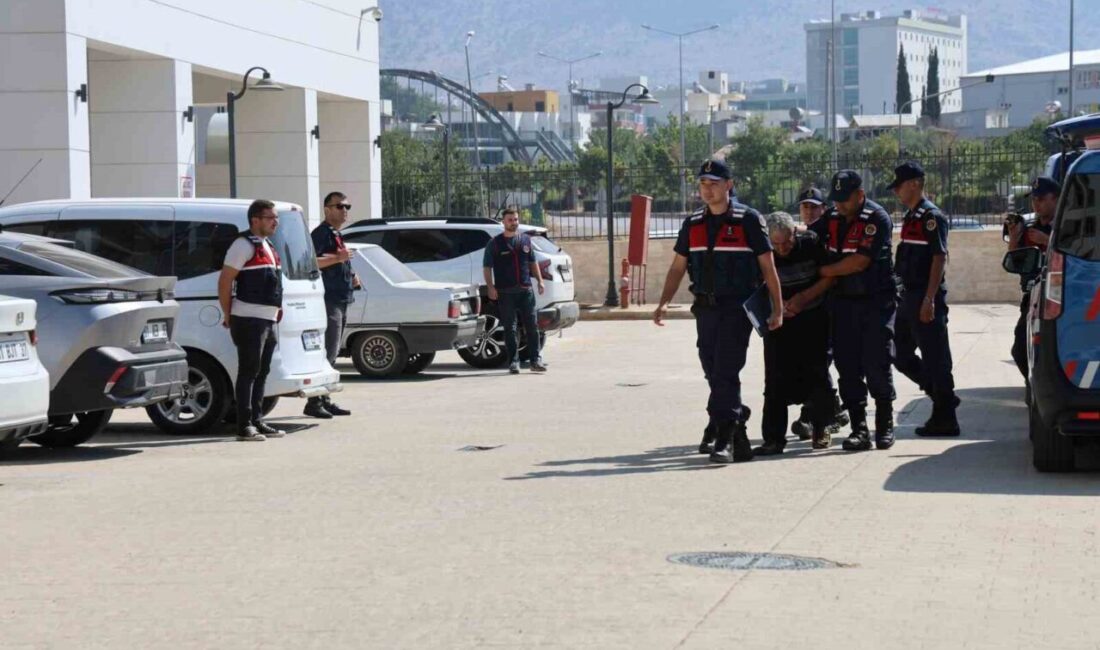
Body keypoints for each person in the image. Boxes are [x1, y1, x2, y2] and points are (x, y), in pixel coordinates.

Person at [653, 158, 783, 464]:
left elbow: (768, 267)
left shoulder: (748, 219)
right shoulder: (693, 223)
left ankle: (724, 439)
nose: (707, 190)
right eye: (703, 184)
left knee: (726, 370)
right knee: (712, 370)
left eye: (714, 183)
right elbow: (677, 267)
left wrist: (777, 308)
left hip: (737, 309)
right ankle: (737, 418)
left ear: (729, 185)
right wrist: (663, 301)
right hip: (705, 309)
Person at [818, 170, 897, 452]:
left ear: (860, 196)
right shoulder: (831, 218)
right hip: (842, 304)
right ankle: (859, 429)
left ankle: (885, 425)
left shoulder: (877, 219)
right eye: (835, 199)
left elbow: (859, 262)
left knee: (877, 363)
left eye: (844, 200)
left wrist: (824, 271)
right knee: (847, 366)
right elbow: (809, 239)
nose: (838, 205)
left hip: (876, 303)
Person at [756, 212, 837, 455]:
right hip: (779, 322)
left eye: (787, 242)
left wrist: (803, 298)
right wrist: (776, 309)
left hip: (812, 317)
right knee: (774, 380)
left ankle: (822, 428)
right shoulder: (762, 250)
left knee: (817, 374)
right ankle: (773, 439)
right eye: (776, 244)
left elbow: (829, 278)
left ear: (795, 233)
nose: (782, 249)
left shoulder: (811, 244)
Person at [890, 161, 960, 437]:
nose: (896, 191)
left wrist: (929, 299)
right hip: (909, 295)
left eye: (899, 186)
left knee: (935, 358)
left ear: (915, 184)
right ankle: (941, 396)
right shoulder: (912, 216)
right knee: (899, 352)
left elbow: (939, 257)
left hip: (924, 296)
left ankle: (945, 417)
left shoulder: (931, 216)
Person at [218, 199, 287, 442]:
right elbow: (225, 280)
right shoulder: (242, 244)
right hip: (248, 319)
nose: (275, 222)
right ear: (254, 220)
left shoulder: (267, 245)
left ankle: (257, 420)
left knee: (262, 371)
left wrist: (278, 308)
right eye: (270, 218)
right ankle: (244, 425)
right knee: (248, 371)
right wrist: (228, 313)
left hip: (267, 320)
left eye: (276, 218)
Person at [789, 186, 848, 441]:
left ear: (824, 209)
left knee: (821, 360)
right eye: (805, 207)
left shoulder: (829, 231)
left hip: (833, 303)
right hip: (808, 308)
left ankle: (818, 415)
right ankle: (829, 409)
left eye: (814, 206)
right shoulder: (799, 237)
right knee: (812, 361)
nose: (809, 211)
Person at [305, 191, 359, 419]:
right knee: (327, 351)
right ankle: (314, 402)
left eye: (347, 206)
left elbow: (340, 258)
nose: (344, 210)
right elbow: (311, 261)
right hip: (329, 300)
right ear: (327, 209)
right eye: (339, 206)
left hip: (341, 297)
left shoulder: (335, 233)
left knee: (333, 351)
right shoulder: (320, 234)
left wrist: (352, 273)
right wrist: (339, 259)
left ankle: (324, 398)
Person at [1006, 176, 1059, 380]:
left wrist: (1047, 240)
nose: (1036, 203)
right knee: (1020, 350)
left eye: (1041, 198)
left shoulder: (1066, 228)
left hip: (1057, 296)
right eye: (1033, 199)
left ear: (1055, 199)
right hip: (1032, 297)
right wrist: (1014, 236)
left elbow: (1075, 256)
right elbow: (1015, 262)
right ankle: (1034, 387)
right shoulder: (1030, 228)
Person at [483, 207, 546, 374]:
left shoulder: (525, 241)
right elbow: (487, 267)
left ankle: (535, 360)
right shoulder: (495, 243)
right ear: (503, 222)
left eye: (516, 220)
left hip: (526, 291)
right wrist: (490, 286)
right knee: (510, 328)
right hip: (505, 292)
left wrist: (540, 281)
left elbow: (532, 263)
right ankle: (513, 362)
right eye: (510, 220)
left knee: (532, 326)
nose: (514, 223)